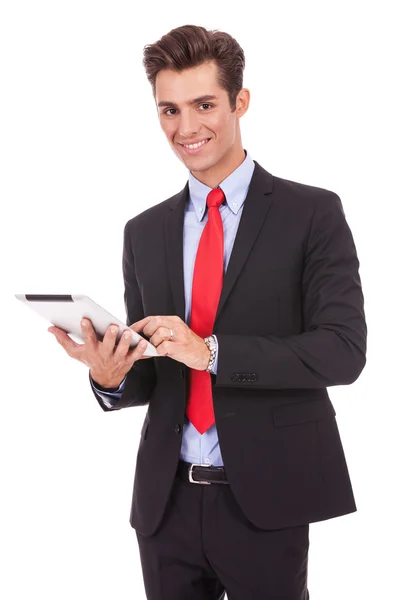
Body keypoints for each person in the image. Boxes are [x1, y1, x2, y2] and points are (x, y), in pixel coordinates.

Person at [49, 24, 367, 600]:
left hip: (267, 501)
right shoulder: (144, 231)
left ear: (240, 102)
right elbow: (153, 372)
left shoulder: (312, 214)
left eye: (204, 105)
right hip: (164, 504)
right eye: (168, 109)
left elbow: (343, 351)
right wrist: (110, 375)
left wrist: (211, 351)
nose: (186, 128)